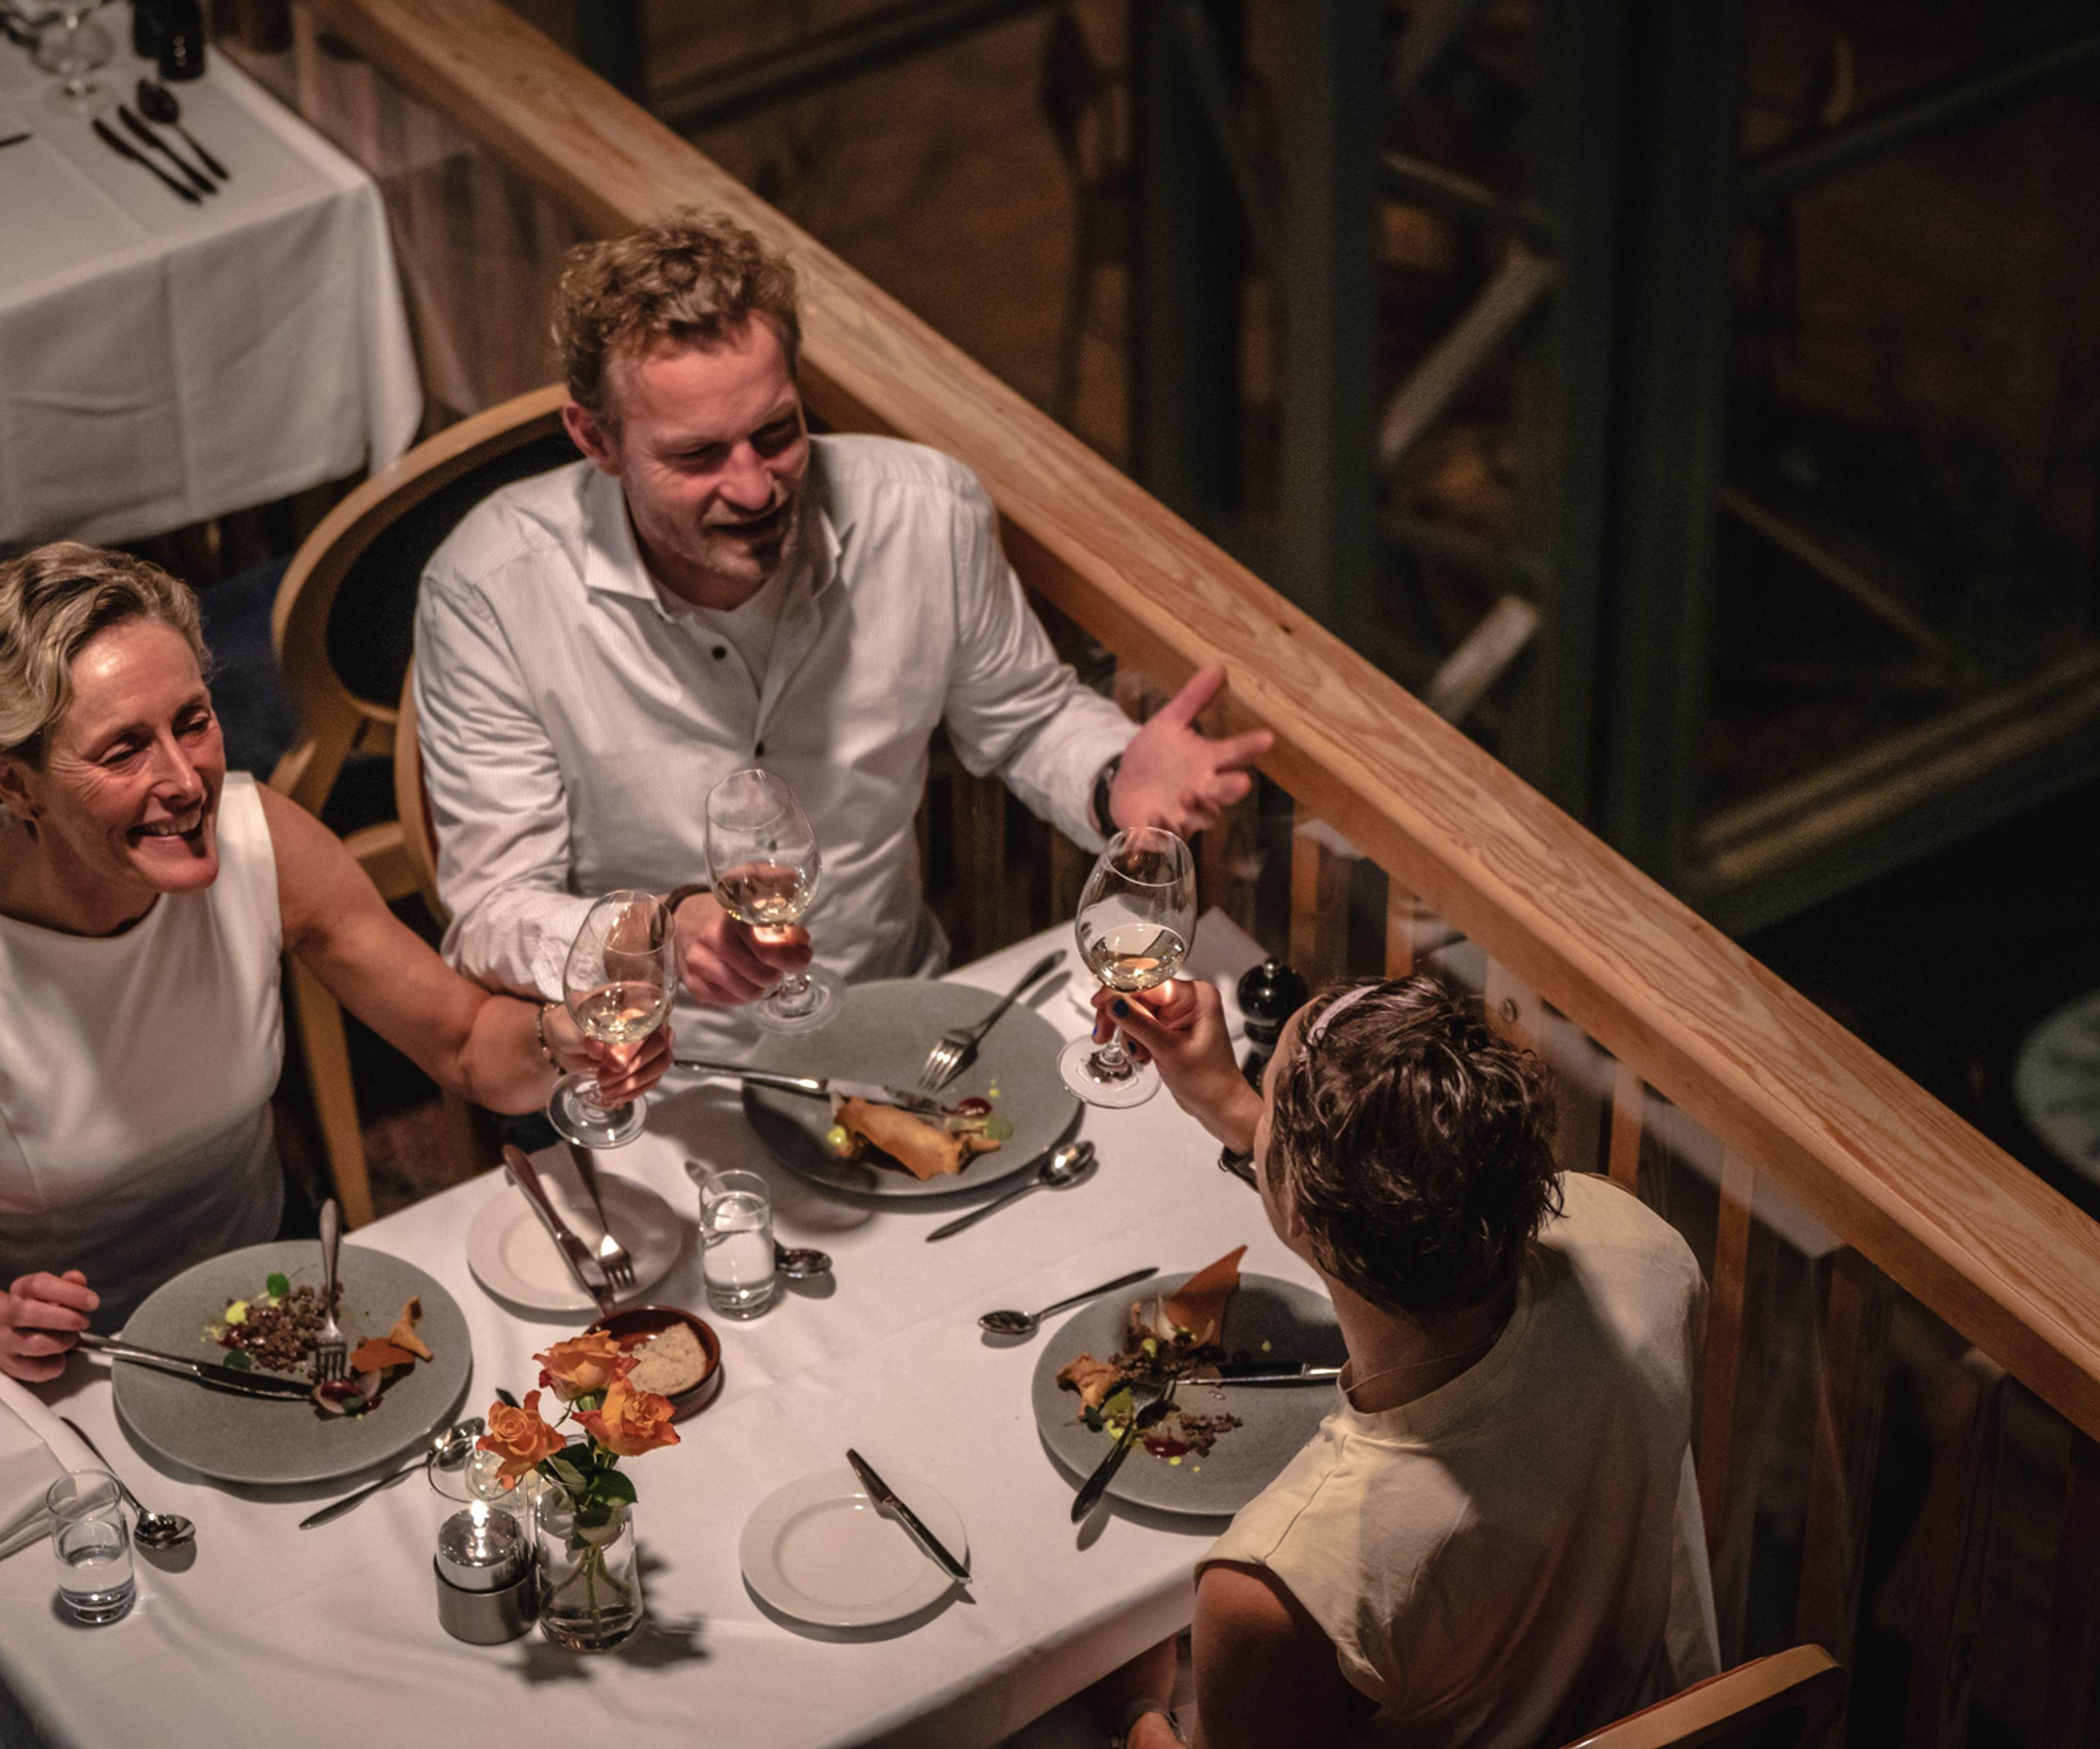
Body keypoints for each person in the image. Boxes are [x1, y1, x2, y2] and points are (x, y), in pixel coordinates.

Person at [410, 210, 1273, 1041]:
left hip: (901, 1012)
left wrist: (1113, 776)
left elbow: (1029, 720)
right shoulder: (490, 589)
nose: (754, 488)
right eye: (697, 455)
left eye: (776, 434)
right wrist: (658, 934)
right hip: (661, 1060)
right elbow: (492, 910)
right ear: (595, 440)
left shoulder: (926, 514)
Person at [0, 544, 670, 1381]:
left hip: (277, 1300)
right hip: (61, 1365)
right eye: (124, 749)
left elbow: (461, 1041)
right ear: (16, 783)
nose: (187, 780)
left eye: (193, 721)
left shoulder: (265, 845)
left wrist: (563, 1042)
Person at [1085, 973, 1719, 1748]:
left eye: (1272, 1101)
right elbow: (1403, 1202)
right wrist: (1227, 1097)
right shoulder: (1640, 1247)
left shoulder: (1278, 1585)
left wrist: (1137, 1710)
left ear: (1295, 1207)